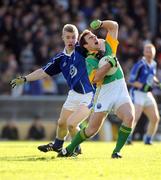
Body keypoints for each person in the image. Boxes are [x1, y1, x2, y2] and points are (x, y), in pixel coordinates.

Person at [10, 24, 115, 155]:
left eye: (73, 37)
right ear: (63, 38)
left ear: (77, 39)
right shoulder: (60, 58)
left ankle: (75, 148)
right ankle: (58, 146)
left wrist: (108, 49)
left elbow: (99, 45)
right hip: (74, 94)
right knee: (61, 123)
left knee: (72, 124)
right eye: (68, 37)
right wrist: (25, 79)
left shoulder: (82, 49)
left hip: (90, 94)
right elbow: (43, 72)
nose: (71, 40)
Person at [58, 19, 134, 158]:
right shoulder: (90, 60)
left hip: (120, 88)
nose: (95, 37)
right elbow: (96, 78)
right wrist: (109, 64)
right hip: (104, 92)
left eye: (94, 35)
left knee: (129, 117)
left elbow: (114, 26)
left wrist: (100, 24)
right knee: (92, 129)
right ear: (86, 46)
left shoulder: (109, 46)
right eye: (90, 38)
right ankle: (70, 149)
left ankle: (116, 152)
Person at [127, 43, 160, 145]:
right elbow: (131, 80)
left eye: (151, 50)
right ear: (144, 52)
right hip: (137, 93)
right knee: (134, 118)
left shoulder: (154, 64)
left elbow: (151, 76)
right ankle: (127, 138)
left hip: (147, 94)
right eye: (147, 50)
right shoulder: (140, 64)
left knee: (155, 118)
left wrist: (157, 82)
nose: (149, 53)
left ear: (154, 52)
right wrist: (142, 85)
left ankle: (148, 139)